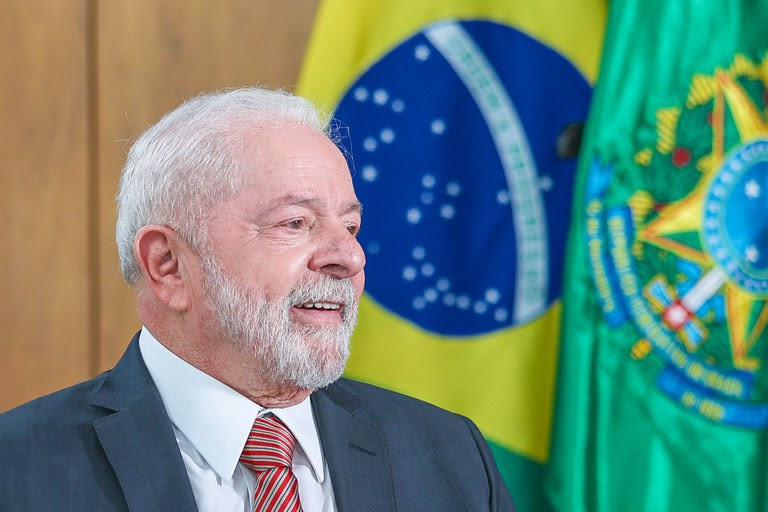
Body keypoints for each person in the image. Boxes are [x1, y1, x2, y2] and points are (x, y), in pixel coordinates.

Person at [0, 87, 515, 511]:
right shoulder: (18, 468)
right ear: (168, 265)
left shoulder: (451, 458)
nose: (349, 257)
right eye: (295, 223)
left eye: (352, 225)